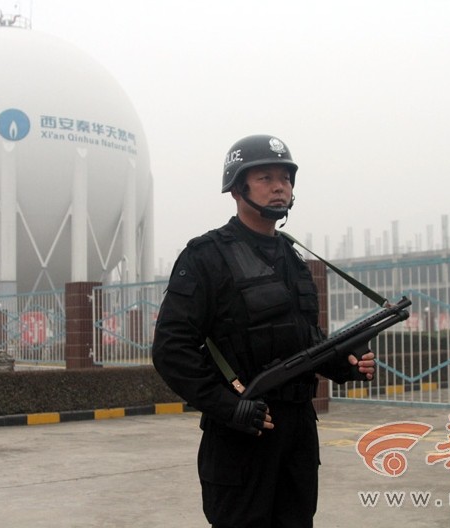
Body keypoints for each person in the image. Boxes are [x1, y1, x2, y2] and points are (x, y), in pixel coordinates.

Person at [152, 134, 376, 528]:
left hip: (297, 434)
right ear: (237, 188)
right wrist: (228, 407)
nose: (279, 187)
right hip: (241, 435)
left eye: (285, 178)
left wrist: (346, 364)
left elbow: (305, 339)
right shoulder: (206, 257)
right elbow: (171, 350)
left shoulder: (293, 258)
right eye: (265, 178)